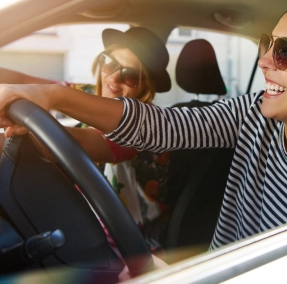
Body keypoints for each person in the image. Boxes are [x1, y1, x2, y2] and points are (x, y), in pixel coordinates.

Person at [0, 0, 287, 265]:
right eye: (266, 43)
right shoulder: (254, 113)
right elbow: (163, 126)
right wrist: (48, 95)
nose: (263, 61)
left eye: (284, 52)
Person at [0, 27, 173, 251]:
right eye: (110, 64)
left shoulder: (145, 126)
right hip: (85, 225)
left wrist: (7, 142)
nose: (113, 78)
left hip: (130, 247)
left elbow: (80, 143)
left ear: (144, 88)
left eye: (130, 75)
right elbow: (23, 81)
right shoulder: (87, 94)